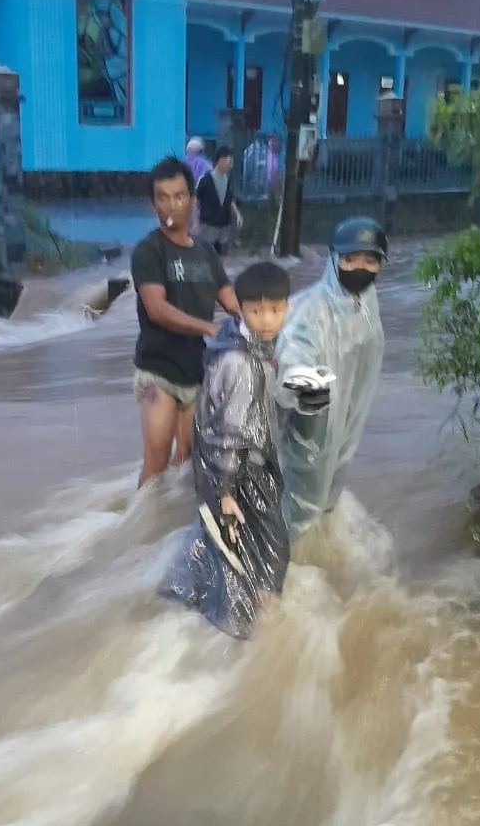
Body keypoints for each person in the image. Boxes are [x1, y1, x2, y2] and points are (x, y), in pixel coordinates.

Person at [160, 261, 292, 640]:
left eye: (275, 309)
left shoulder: (243, 343)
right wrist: (225, 492)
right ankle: (251, 637)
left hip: (231, 468)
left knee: (220, 544)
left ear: (287, 307)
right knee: (266, 552)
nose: (267, 319)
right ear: (239, 308)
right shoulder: (240, 362)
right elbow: (228, 432)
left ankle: (179, 601)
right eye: (256, 310)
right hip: (238, 472)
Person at [131, 155, 240, 486]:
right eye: (162, 198)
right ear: (153, 204)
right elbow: (157, 309)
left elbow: (233, 302)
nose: (171, 206)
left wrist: (270, 326)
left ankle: (172, 532)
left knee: (189, 460)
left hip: (197, 372)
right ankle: (139, 533)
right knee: (159, 458)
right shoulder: (148, 251)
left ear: (192, 200)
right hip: (158, 371)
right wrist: (209, 328)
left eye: (179, 196)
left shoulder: (206, 253)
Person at [275, 216, 387, 540]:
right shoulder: (312, 311)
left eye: (370, 260)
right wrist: (304, 385)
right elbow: (293, 356)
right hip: (310, 431)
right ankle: (281, 575)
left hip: (345, 430)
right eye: (350, 259)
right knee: (298, 512)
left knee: (327, 504)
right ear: (334, 259)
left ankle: (320, 571)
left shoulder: (365, 305)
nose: (359, 268)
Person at [196, 145, 244, 258]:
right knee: (206, 253)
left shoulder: (227, 180)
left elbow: (230, 199)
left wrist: (237, 214)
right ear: (221, 160)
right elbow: (195, 199)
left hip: (223, 224)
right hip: (208, 224)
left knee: (221, 254)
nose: (231, 165)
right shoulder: (205, 180)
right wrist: (194, 220)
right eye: (229, 161)